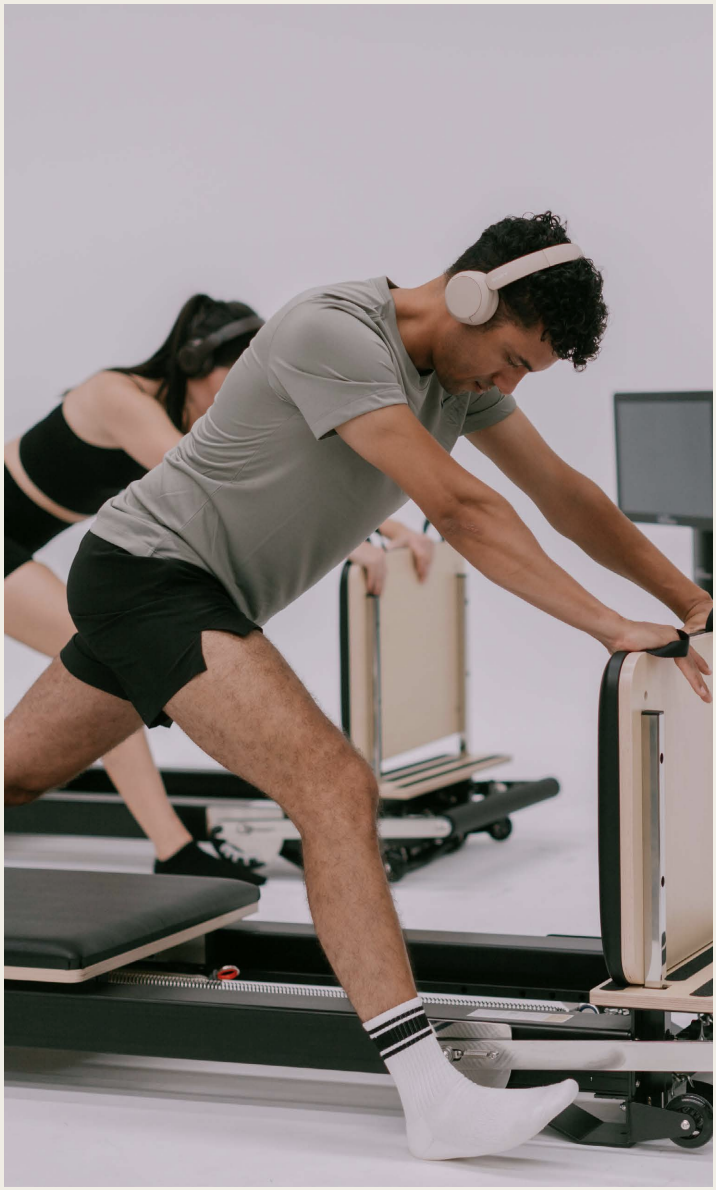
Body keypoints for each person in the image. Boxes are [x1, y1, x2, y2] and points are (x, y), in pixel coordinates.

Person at [6, 211, 712, 1160]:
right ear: (470, 296)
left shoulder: (459, 382)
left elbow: (564, 494)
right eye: (512, 359)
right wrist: (605, 623)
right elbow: (462, 508)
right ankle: (432, 1098)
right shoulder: (333, 331)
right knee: (335, 785)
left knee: (16, 773)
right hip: (150, 575)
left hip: (188, 590)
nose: (508, 385)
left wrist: (692, 603)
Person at [4, 294, 268, 883]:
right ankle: (171, 848)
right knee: (102, 661)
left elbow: (263, 470)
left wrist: (385, 525)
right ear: (193, 361)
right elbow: (206, 488)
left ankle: (171, 848)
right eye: (232, 378)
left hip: (12, 540)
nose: (235, 397)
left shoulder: (175, 414)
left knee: (103, 663)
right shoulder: (116, 397)